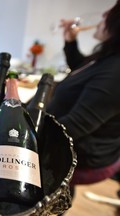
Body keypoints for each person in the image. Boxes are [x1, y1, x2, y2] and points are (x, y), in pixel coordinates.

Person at [47, 0, 120, 191]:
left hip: (85, 156)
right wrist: (70, 41)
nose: (103, 15)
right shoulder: (107, 57)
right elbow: (81, 70)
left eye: (110, 13)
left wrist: (25, 135)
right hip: (75, 142)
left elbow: (75, 125)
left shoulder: (117, 71)